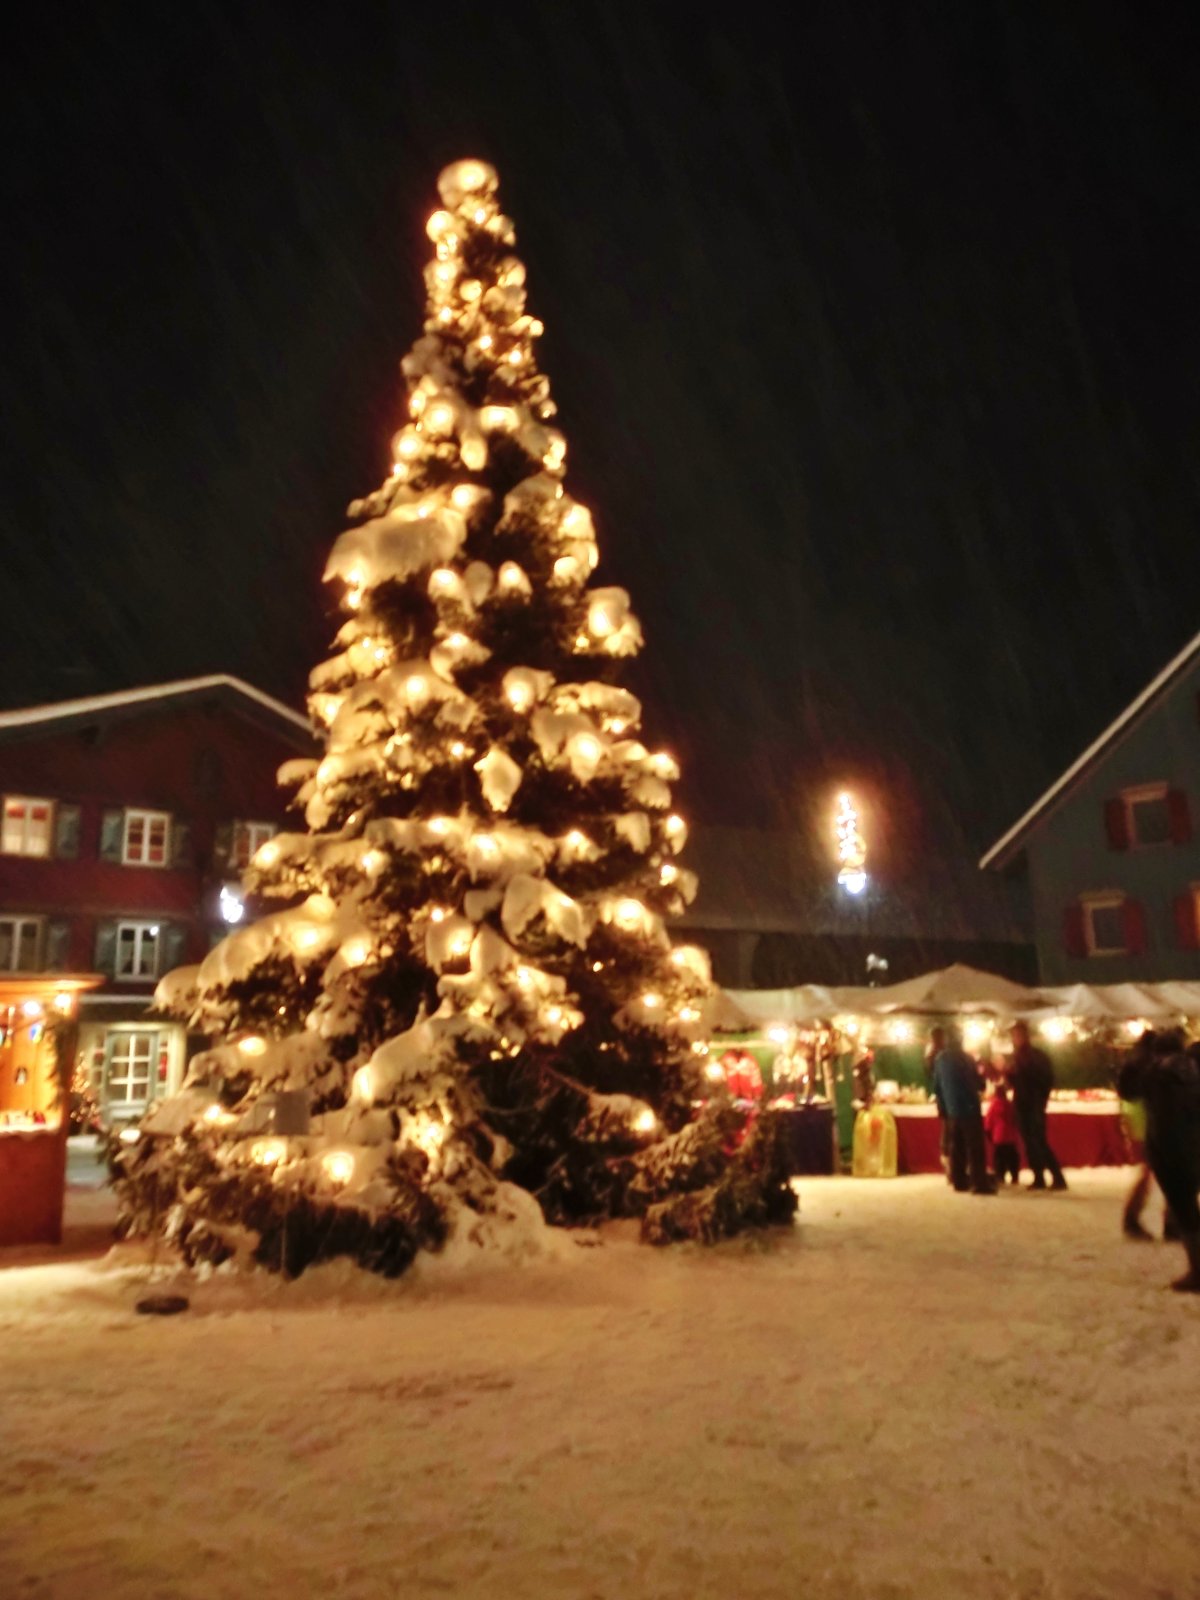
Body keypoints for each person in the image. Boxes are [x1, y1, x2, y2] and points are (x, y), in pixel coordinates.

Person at [1117, 1029, 1200, 1292]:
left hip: (1168, 1147)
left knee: (1185, 1210)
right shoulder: (1194, 1070)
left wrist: (1137, 1058)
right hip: (1195, 1144)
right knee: (1188, 1207)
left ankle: (1198, 1271)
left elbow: (1127, 1090)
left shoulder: (1155, 1074)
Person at [932, 1026, 994, 1194]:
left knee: (956, 1147)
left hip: (951, 1110)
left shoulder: (940, 1059)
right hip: (969, 1107)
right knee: (975, 1148)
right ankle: (979, 1183)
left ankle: (959, 1181)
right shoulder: (966, 1058)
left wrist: (944, 1108)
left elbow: (937, 1087)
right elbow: (978, 1084)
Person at [1008, 1021, 1068, 1190]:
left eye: (1017, 1035)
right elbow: (1018, 1081)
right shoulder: (1020, 1056)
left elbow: (1043, 1080)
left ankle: (1056, 1177)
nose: (1015, 1039)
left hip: (1032, 1105)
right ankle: (1040, 1177)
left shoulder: (1034, 1056)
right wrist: (1010, 1075)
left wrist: (1039, 1100)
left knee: (1038, 1142)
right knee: (1030, 1143)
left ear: (1025, 1036)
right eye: (1013, 1035)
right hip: (1025, 1103)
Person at [985, 1080, 1021, 1186]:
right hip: (1011, 1136)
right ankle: (1014, 1175)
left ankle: (1000, 1176)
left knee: (999, 1158)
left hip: (999, 1136)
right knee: (1012, 1157)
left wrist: (988, 1133)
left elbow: (989, 1121)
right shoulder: (1010, 1105)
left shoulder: (993, 1105)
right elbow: (1016, 1119)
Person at [925, 1025, 949, 1175]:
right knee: (949, 1134)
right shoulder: (939, 1056)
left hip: (944, 1100)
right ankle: (950, 1166)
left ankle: (949, 1166)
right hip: (947, 1100)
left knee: (948, 1133)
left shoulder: (933, 1055)